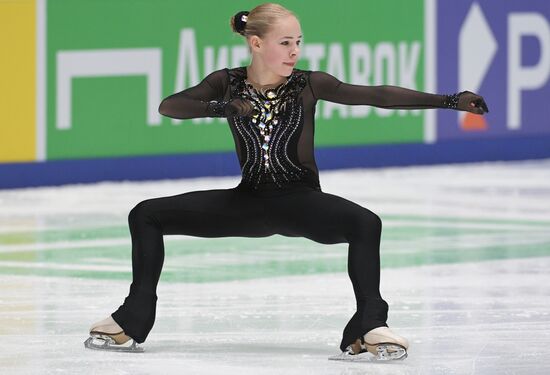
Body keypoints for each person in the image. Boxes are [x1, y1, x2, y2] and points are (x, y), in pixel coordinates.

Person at [84, 3, 489, 361]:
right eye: (285, 43)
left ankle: (368, 325)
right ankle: (131, 319)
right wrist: (222, 107)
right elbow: (169, 105)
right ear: (256, 44)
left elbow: (376, 95)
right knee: (146, 214)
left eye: (298, 42)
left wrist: (450, 100)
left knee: (366, 223)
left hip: (300, 201)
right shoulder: (226, 82)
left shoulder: (309, 83)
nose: (295, 51)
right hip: (248, 202)